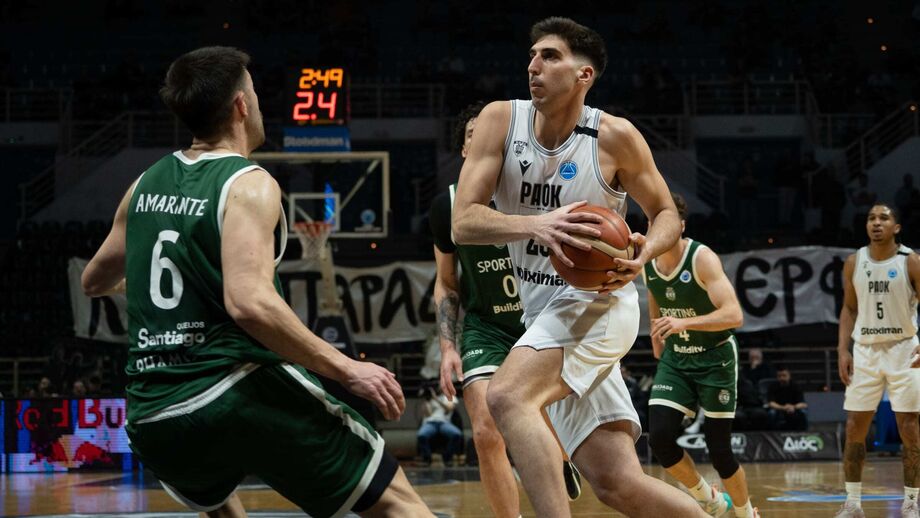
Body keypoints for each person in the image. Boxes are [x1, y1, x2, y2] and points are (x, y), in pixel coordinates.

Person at [81, 46, 433, 518]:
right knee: (394, 502)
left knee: (221, 507)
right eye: (257, 94)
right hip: (232, 389)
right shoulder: (248, 182)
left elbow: (94, 280)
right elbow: (248, 303)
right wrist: (347, 368)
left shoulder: (143, 184)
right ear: (241, 106)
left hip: (152, 413)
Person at [451, 17, 707, 517]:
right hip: (542, 313)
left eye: (549, 56)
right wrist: (537, 225)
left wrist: (643, 254)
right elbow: (464, 222)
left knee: (506, 396)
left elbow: (667, 214)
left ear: (584, 74)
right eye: (532, 55)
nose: (533, 66)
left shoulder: (614, 137)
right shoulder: (500, 121)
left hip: (600, 302)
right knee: (617, 483)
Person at [431, 101, 581, 517]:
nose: (487, 139)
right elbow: (446, 283)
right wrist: (447, 348)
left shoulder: (540, 189)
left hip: (542, 322)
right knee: (484, 431)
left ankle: (560, 456)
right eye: (474, 135)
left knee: (540, 419)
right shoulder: (447, 206)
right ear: (466, 151)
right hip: (487, 327)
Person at [644, 192, 759, 518]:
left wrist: (683, 321)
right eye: (651, 222)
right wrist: (657, 333)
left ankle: (746, 513)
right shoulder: (648, 260)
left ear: (680, 226)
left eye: (663, 222)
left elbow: (734, 315)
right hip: (677, 359)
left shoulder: (701, 258)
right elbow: (655, 293)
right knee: (661, 439)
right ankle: (710, 500)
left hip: (715, 358)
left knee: (720, 451)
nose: (656, 228)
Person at [835, 203, 920, 518]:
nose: (876, 223)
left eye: (884, 218)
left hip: (903, 349)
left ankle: (911, 500)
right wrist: (843, 350)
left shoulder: (910, 261)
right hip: (866, 350)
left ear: (896, 227)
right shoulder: (853, 262)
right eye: (871, 218)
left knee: (909, 427)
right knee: (855, 425)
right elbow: (849, 309)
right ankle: (853, 503)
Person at [416, 384, 462, 466]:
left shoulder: (450, 397)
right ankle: (427, 458)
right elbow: (428, 414)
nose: (440, 387)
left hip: (444, 423)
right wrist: (425, 400)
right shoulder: (429, 399)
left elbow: (449, 408)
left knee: (457, 434)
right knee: (421, 435)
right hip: (431, 422)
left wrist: (436, 399)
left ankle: (447, 457)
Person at [765, 366, 808, 431]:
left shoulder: (796, 386)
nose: (782, 378)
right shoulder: (773, 386)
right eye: (779, 376)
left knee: (803, 412)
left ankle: (803, 433)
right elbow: (771, 403)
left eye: (784, 375)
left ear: (789, 376)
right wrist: (783, 407)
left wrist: (793, 407)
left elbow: (803, 404)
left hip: (793, 408)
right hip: (778, 408)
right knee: (771, 413)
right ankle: (772, 433)